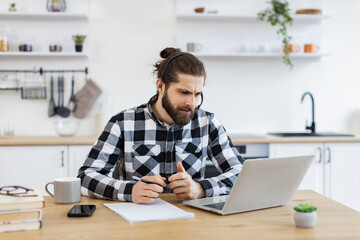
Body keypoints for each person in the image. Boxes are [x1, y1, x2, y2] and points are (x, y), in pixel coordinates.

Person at [78, 47, 244, 204]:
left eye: (197, 94)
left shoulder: (207, 123)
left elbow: (241, 173)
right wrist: (130, 191)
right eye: (184, 92)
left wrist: (201, 188)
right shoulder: (123, 123)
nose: (191, 103)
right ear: (160, 86)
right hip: (136, 224)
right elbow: (86, 177)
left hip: (192, 224)